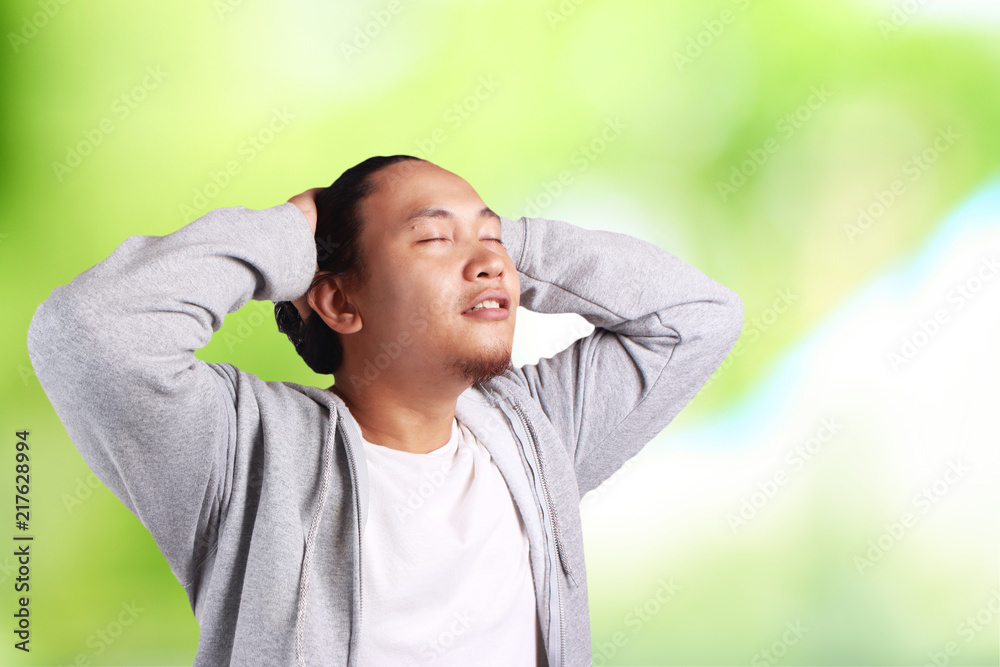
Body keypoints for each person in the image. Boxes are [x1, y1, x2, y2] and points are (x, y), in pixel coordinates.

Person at [27, 155, 743, 666]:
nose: (490, 262)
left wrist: (501, 245)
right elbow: (86, 331)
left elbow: (698, 317)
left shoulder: (536, 433)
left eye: (492, 240)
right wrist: (288, 233)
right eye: (433, 237)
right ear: (339, 301)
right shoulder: (246, 452)